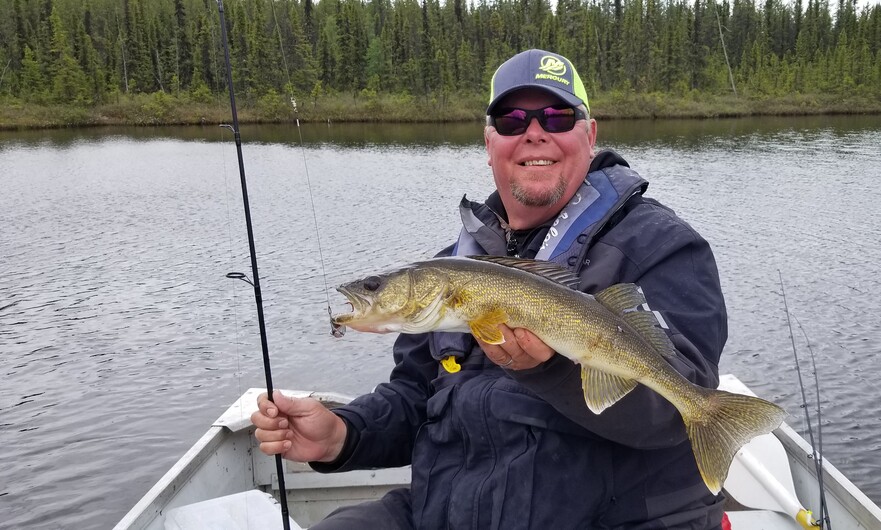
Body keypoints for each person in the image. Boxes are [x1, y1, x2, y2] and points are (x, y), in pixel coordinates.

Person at [252, 48, 729, 529]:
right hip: (446, 512)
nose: (534, 132)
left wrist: (551, 371)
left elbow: (672, 415)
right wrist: (342, 434)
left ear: (590, 135)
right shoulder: (454, 265)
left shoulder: (661, 248)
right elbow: (416, 396)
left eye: (558, 117)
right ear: (489, 143)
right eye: (511, 119)